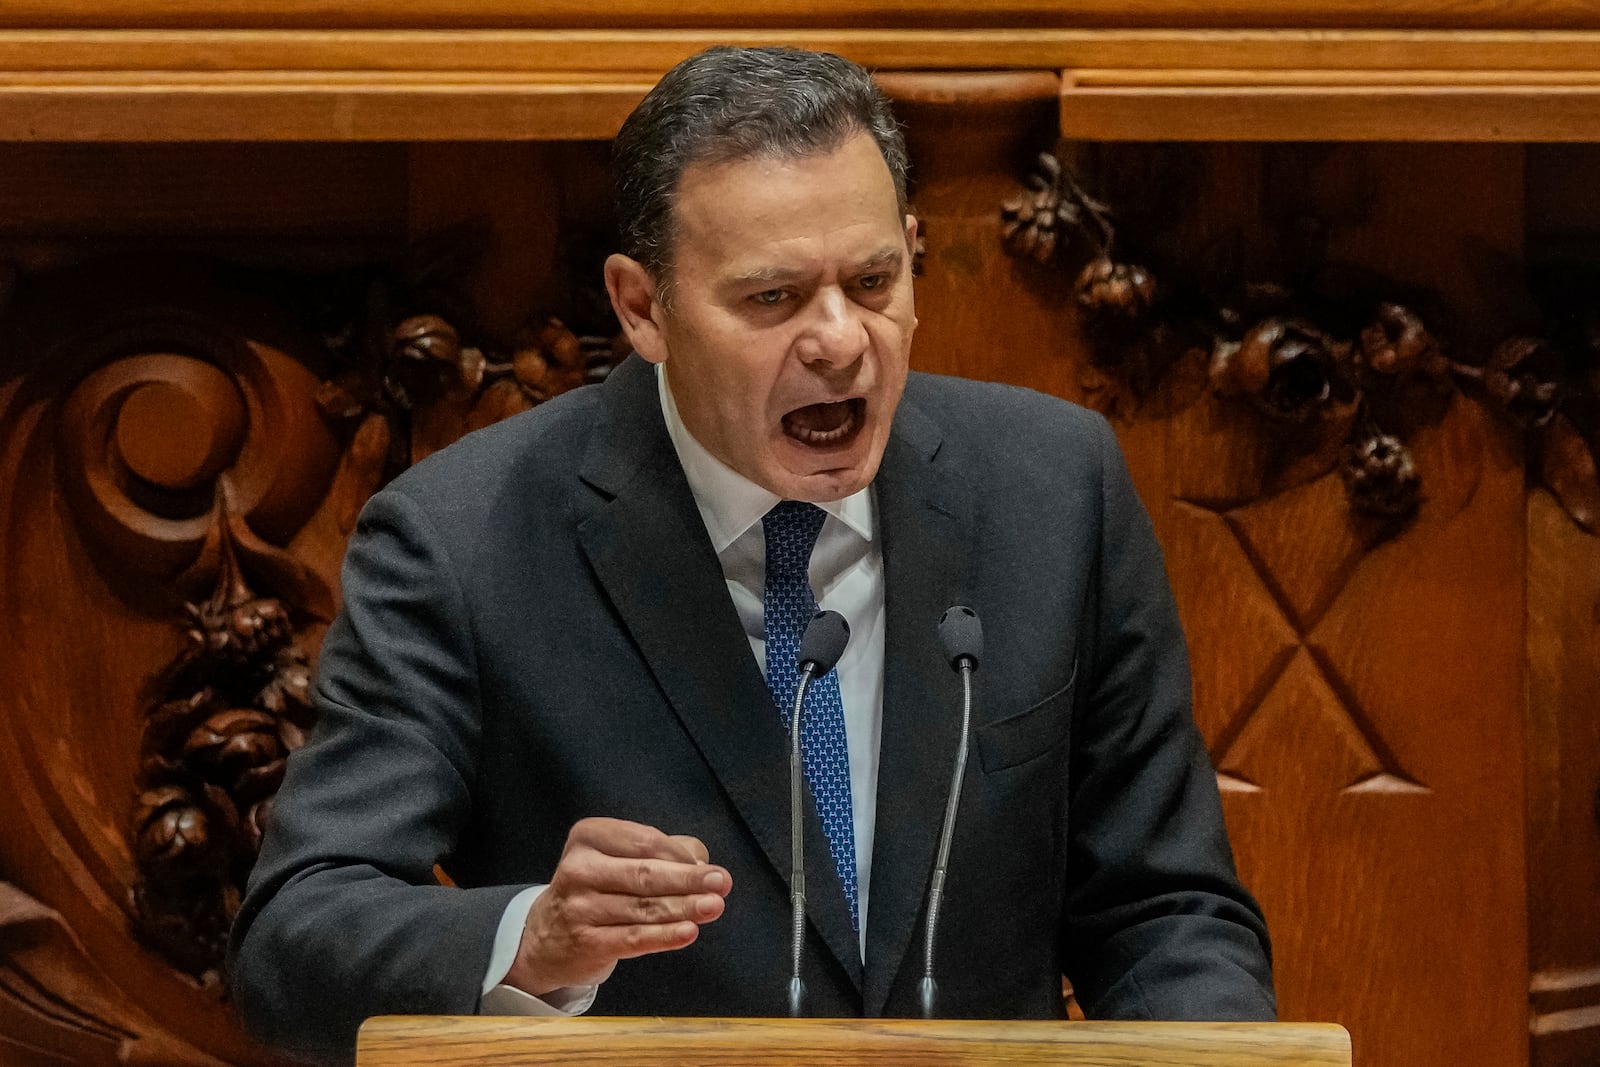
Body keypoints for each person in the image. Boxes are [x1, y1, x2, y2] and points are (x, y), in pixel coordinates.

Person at [228, 45, 1275, 1062]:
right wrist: (530, 937)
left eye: (873, 280)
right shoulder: (463, 539)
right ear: (644, 307)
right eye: (771, 298)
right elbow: (296, 936)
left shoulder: (1055, 489)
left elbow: (1163, 906)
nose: (839, 339)